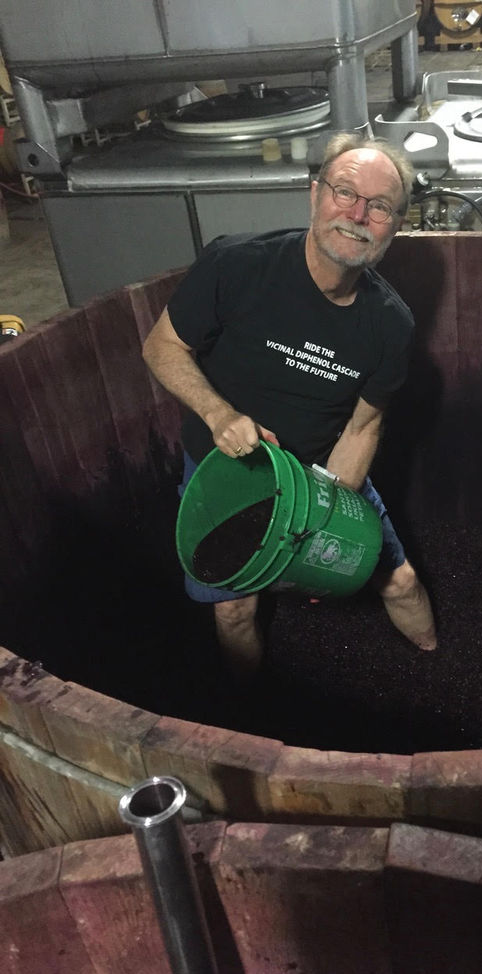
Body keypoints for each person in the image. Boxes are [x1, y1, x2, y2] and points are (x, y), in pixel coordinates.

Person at [142, 132, 437, 681]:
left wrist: (325, 516)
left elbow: (363, 426)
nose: (357, 215)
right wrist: (219, 414)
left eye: (379, 207)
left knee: (398, 581)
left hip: (319, 473)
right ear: (314, 194)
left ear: (396, 224)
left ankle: (441, 665)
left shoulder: (389, 324)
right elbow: (162, 345)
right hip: (229, 469)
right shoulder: (238, 265)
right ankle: (253, 723)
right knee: (234, 608)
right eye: (344, 193)